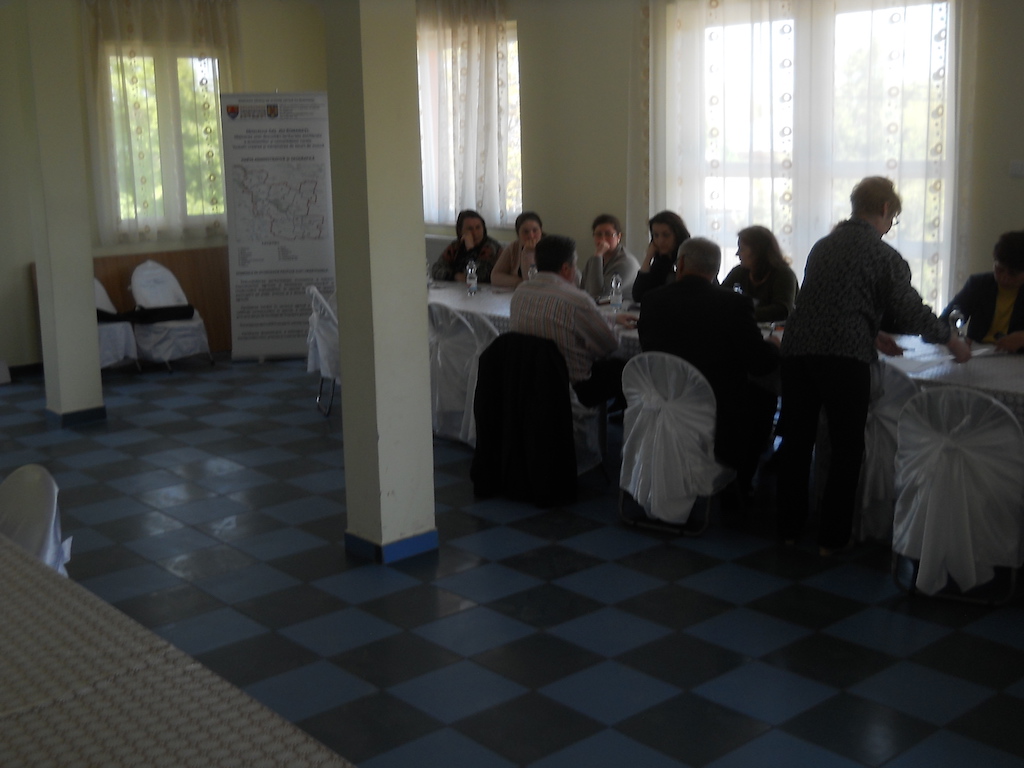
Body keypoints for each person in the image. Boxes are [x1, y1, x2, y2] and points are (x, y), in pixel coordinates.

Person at [776, 176, 971, 556]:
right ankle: (832, 539)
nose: (889, 226)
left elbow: (827, 303)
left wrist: (871, 332)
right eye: (892, 218)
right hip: (843, 358)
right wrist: (951, 340)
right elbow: (910, 310)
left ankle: (788, 529)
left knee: (797, 442)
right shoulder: (884, 256)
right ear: (884, 209)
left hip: (797, 351)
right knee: (847, 447)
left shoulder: (822, 246)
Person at [638, 237, 779, 491]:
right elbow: (759, 363)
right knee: (765, 397)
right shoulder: (734, 304)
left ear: (681, 264)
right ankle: (740, 482)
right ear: (716, 269)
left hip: (662, 398)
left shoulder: (652, 299)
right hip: (716, 407)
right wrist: (773, 346)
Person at [511, 234, 635, 407]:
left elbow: (557, 316)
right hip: (574, 388)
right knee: (627, 367)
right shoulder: (576, 300)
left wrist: (611, 318)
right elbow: (610, 344)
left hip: (533, 380)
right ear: (566, 268)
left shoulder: (520, 292)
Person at [940, 230, 1024, 352]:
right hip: (977, 352)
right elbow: (945, 321)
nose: (1004, 277)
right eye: (999, 269)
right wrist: (955, 338)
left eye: (1013, 274)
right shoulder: (978, 284)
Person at [721, 225, 799, 323]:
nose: (737, 254)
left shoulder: (784, 274)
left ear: (758, 251)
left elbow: (782, 310)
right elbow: (719, 296)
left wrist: (740, 313)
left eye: (742, 249)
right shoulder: (739, 271)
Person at [631, 210, 691, 303]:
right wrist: (648, 258)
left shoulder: (690, 259)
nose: (660, 241)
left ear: (677, 235)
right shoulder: (662, 260)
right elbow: (638, 296)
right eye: (656, 235)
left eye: (666, 235)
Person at [579, 214, 640, 302]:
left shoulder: (626, 262)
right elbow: (582, 291)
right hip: (594, 308)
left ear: (618, 237)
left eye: (608, 234)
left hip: (620, 308)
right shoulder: (593, 260)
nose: (603, 239)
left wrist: (598, 255)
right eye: (598, 234)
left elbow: (599, 295)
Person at [430, 209, 502, 284]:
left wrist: (470, 250)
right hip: (458, 288)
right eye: (470, 229)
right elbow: (436, 269)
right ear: (460, 231)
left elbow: (480, 275)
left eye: (478, 228)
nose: (475, 233)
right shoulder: (455, 246)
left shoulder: (490, 247)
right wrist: (454, 276)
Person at [491, 211, 543, 288]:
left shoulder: (549, 248)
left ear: (541, 231)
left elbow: (533, 281)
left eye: (535, 230)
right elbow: (495, 276)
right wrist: (519, 282)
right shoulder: (514, 247)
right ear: (518, 234)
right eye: (525, 232)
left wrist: (528, 252)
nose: (531, 236)